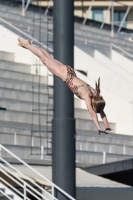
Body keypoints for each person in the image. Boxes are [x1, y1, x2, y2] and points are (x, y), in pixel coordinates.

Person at [18, 37, 112, 135]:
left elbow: (101, 111)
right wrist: (98, 127)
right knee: (45, 60)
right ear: (93, 103)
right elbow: (92, 113)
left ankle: (30, 46)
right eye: (94, 107)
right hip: (65, 75)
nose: (93, 109)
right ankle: (27, 45)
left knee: (48, 59)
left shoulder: (96, 95)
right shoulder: (86, 95)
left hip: (69, 71)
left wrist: (107, 125)